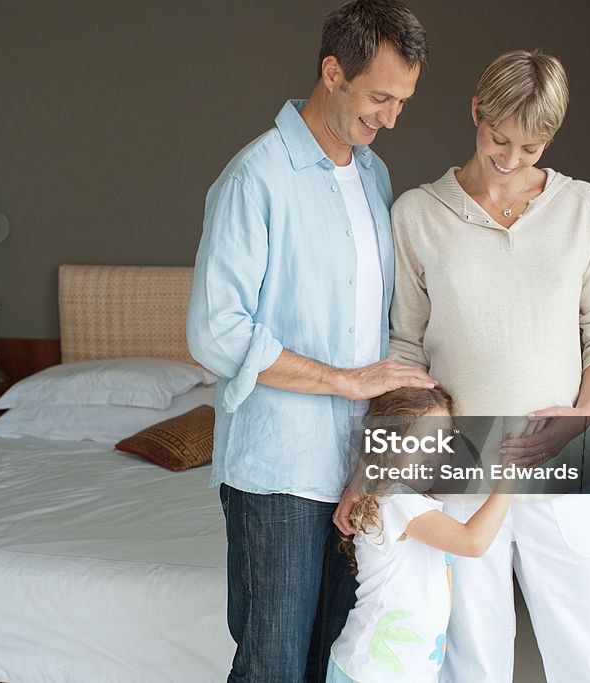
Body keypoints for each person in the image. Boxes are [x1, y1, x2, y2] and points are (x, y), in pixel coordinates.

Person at [375, 49, 590, 681]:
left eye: (531, 146)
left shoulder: (582, 209)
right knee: (472, 656)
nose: (511, 159)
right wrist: (387, 460)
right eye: (500, 138)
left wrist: (580, 414)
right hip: (460, 462)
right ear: (476, 111)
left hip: (562, 457)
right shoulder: (418, 215)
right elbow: (404, 349)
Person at [186, 2, 430, 680]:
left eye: (403, 101)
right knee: (275, 664)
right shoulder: (255, 178)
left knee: (338, 657)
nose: (391, 116)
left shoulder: (375, 177)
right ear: (333, 71)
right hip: (280, 471)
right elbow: (215, 330)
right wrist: (345, 380)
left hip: (354, 467)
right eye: (381, 96)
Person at [328, 387, 516, 683]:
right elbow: (473, 541)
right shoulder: (394, 499)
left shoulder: (416, 502)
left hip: (403, 671)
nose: (434, 452)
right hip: (372, 672)